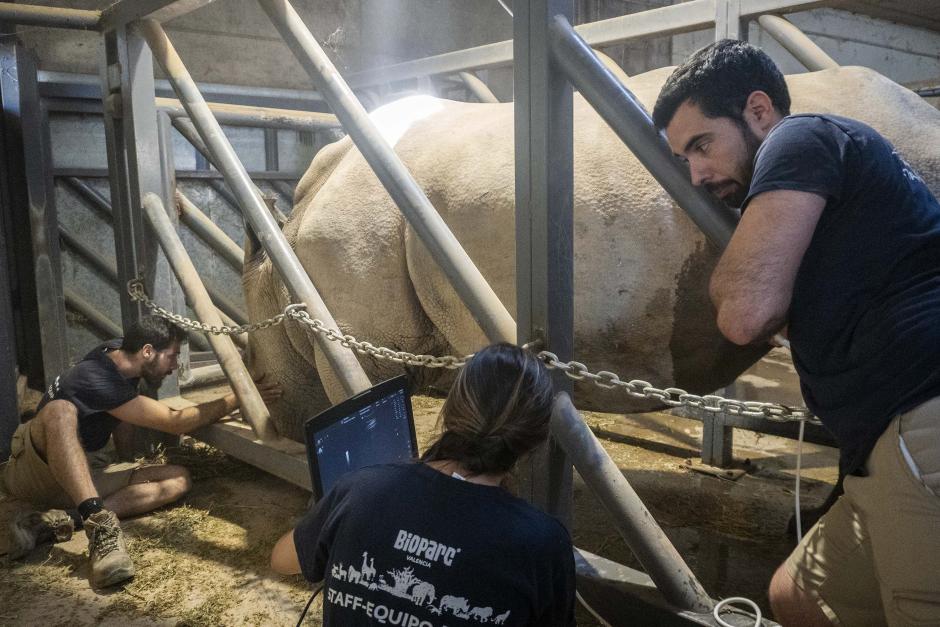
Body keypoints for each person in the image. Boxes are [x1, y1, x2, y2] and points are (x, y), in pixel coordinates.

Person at [652, 40, 940, 626]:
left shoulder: (797, 138)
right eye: (684, 159)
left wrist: (737, 284)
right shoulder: (838, 163)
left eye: (702, 145)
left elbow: (743, 313)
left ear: (758, 111)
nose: (698, 174)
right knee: (798, 595)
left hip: (922, 421)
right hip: (882, 438)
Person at [270, 343, 576, 626]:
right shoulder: (543, 545)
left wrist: (335, 523)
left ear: (452, 409)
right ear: (536, 438)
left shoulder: (358, 490)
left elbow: (281, 560)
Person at [2, 315, 281, 588]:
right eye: (171, 356)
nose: (175, 366)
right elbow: (177, 422)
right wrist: (241, 396)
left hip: (80, 474)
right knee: (61, 410)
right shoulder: (96, 377)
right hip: (33, 469)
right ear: (147, 351)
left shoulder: (119, 356)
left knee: (178, 479)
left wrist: (128, 462)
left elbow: (123, 414)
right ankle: (99, 526)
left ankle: (59, 522)